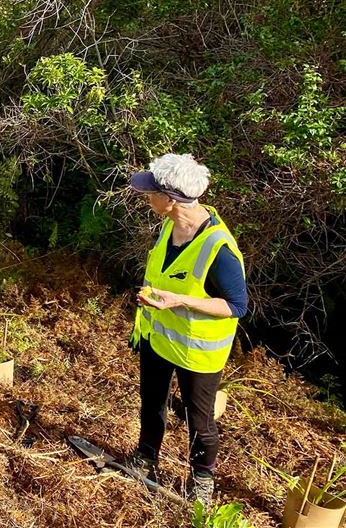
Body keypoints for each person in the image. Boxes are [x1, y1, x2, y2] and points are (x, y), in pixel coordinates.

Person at [127, 153, 248, 506]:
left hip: (198, 351)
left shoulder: (219, 249)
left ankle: (202, 481)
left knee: (200, 421)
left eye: (151, 193)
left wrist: (179, 301)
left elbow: (236, 306)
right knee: (151, 405)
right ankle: (146, 458)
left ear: (170, 199)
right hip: (157, 338)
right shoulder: (170, 224)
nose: (146, 197)